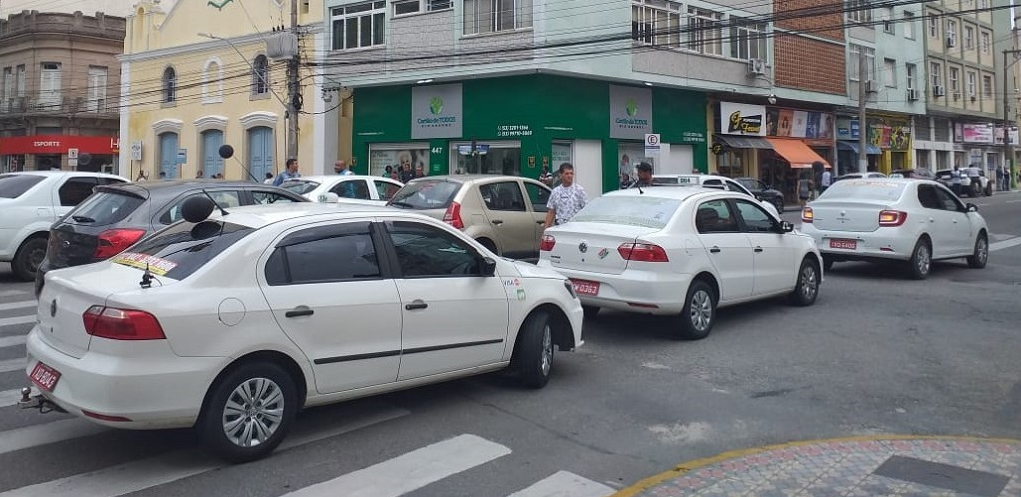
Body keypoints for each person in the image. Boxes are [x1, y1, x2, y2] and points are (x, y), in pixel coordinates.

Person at [544, 163, 587, 228]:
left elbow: (585, 211)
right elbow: (551, 212)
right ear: (560, 175)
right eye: (566, 173)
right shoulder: (555, 192)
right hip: (560, 228)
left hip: (576, 228)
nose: (569, 176)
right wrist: (546, 230)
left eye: (571, 173)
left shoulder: (579, 190)